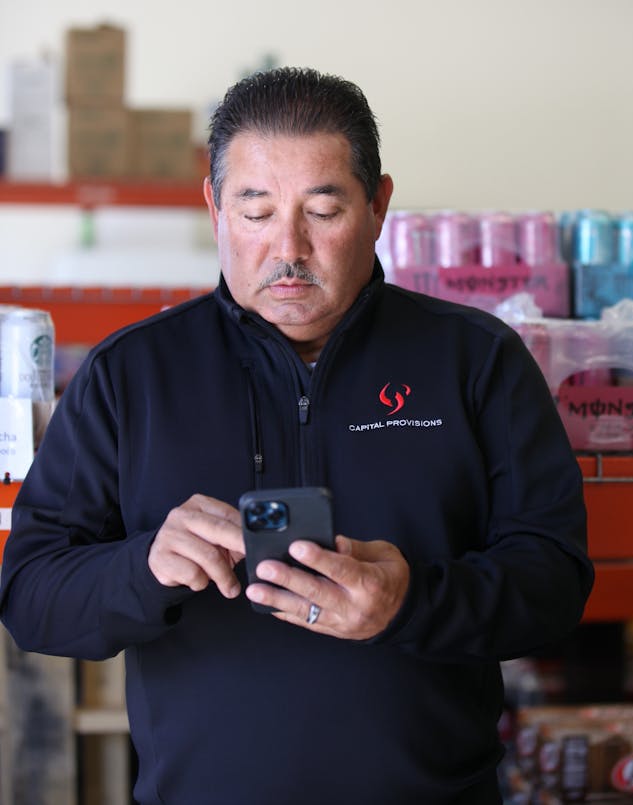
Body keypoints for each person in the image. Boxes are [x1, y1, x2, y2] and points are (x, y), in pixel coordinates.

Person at [0, 67, 593, 804]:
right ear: (214, 207)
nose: (290, 248)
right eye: (255, 211)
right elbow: (30, 595)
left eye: (322, 209)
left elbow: (556, 579)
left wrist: (412, 601)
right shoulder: (132, 375)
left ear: (378, 206)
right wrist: (144, 567)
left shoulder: (476, 359)